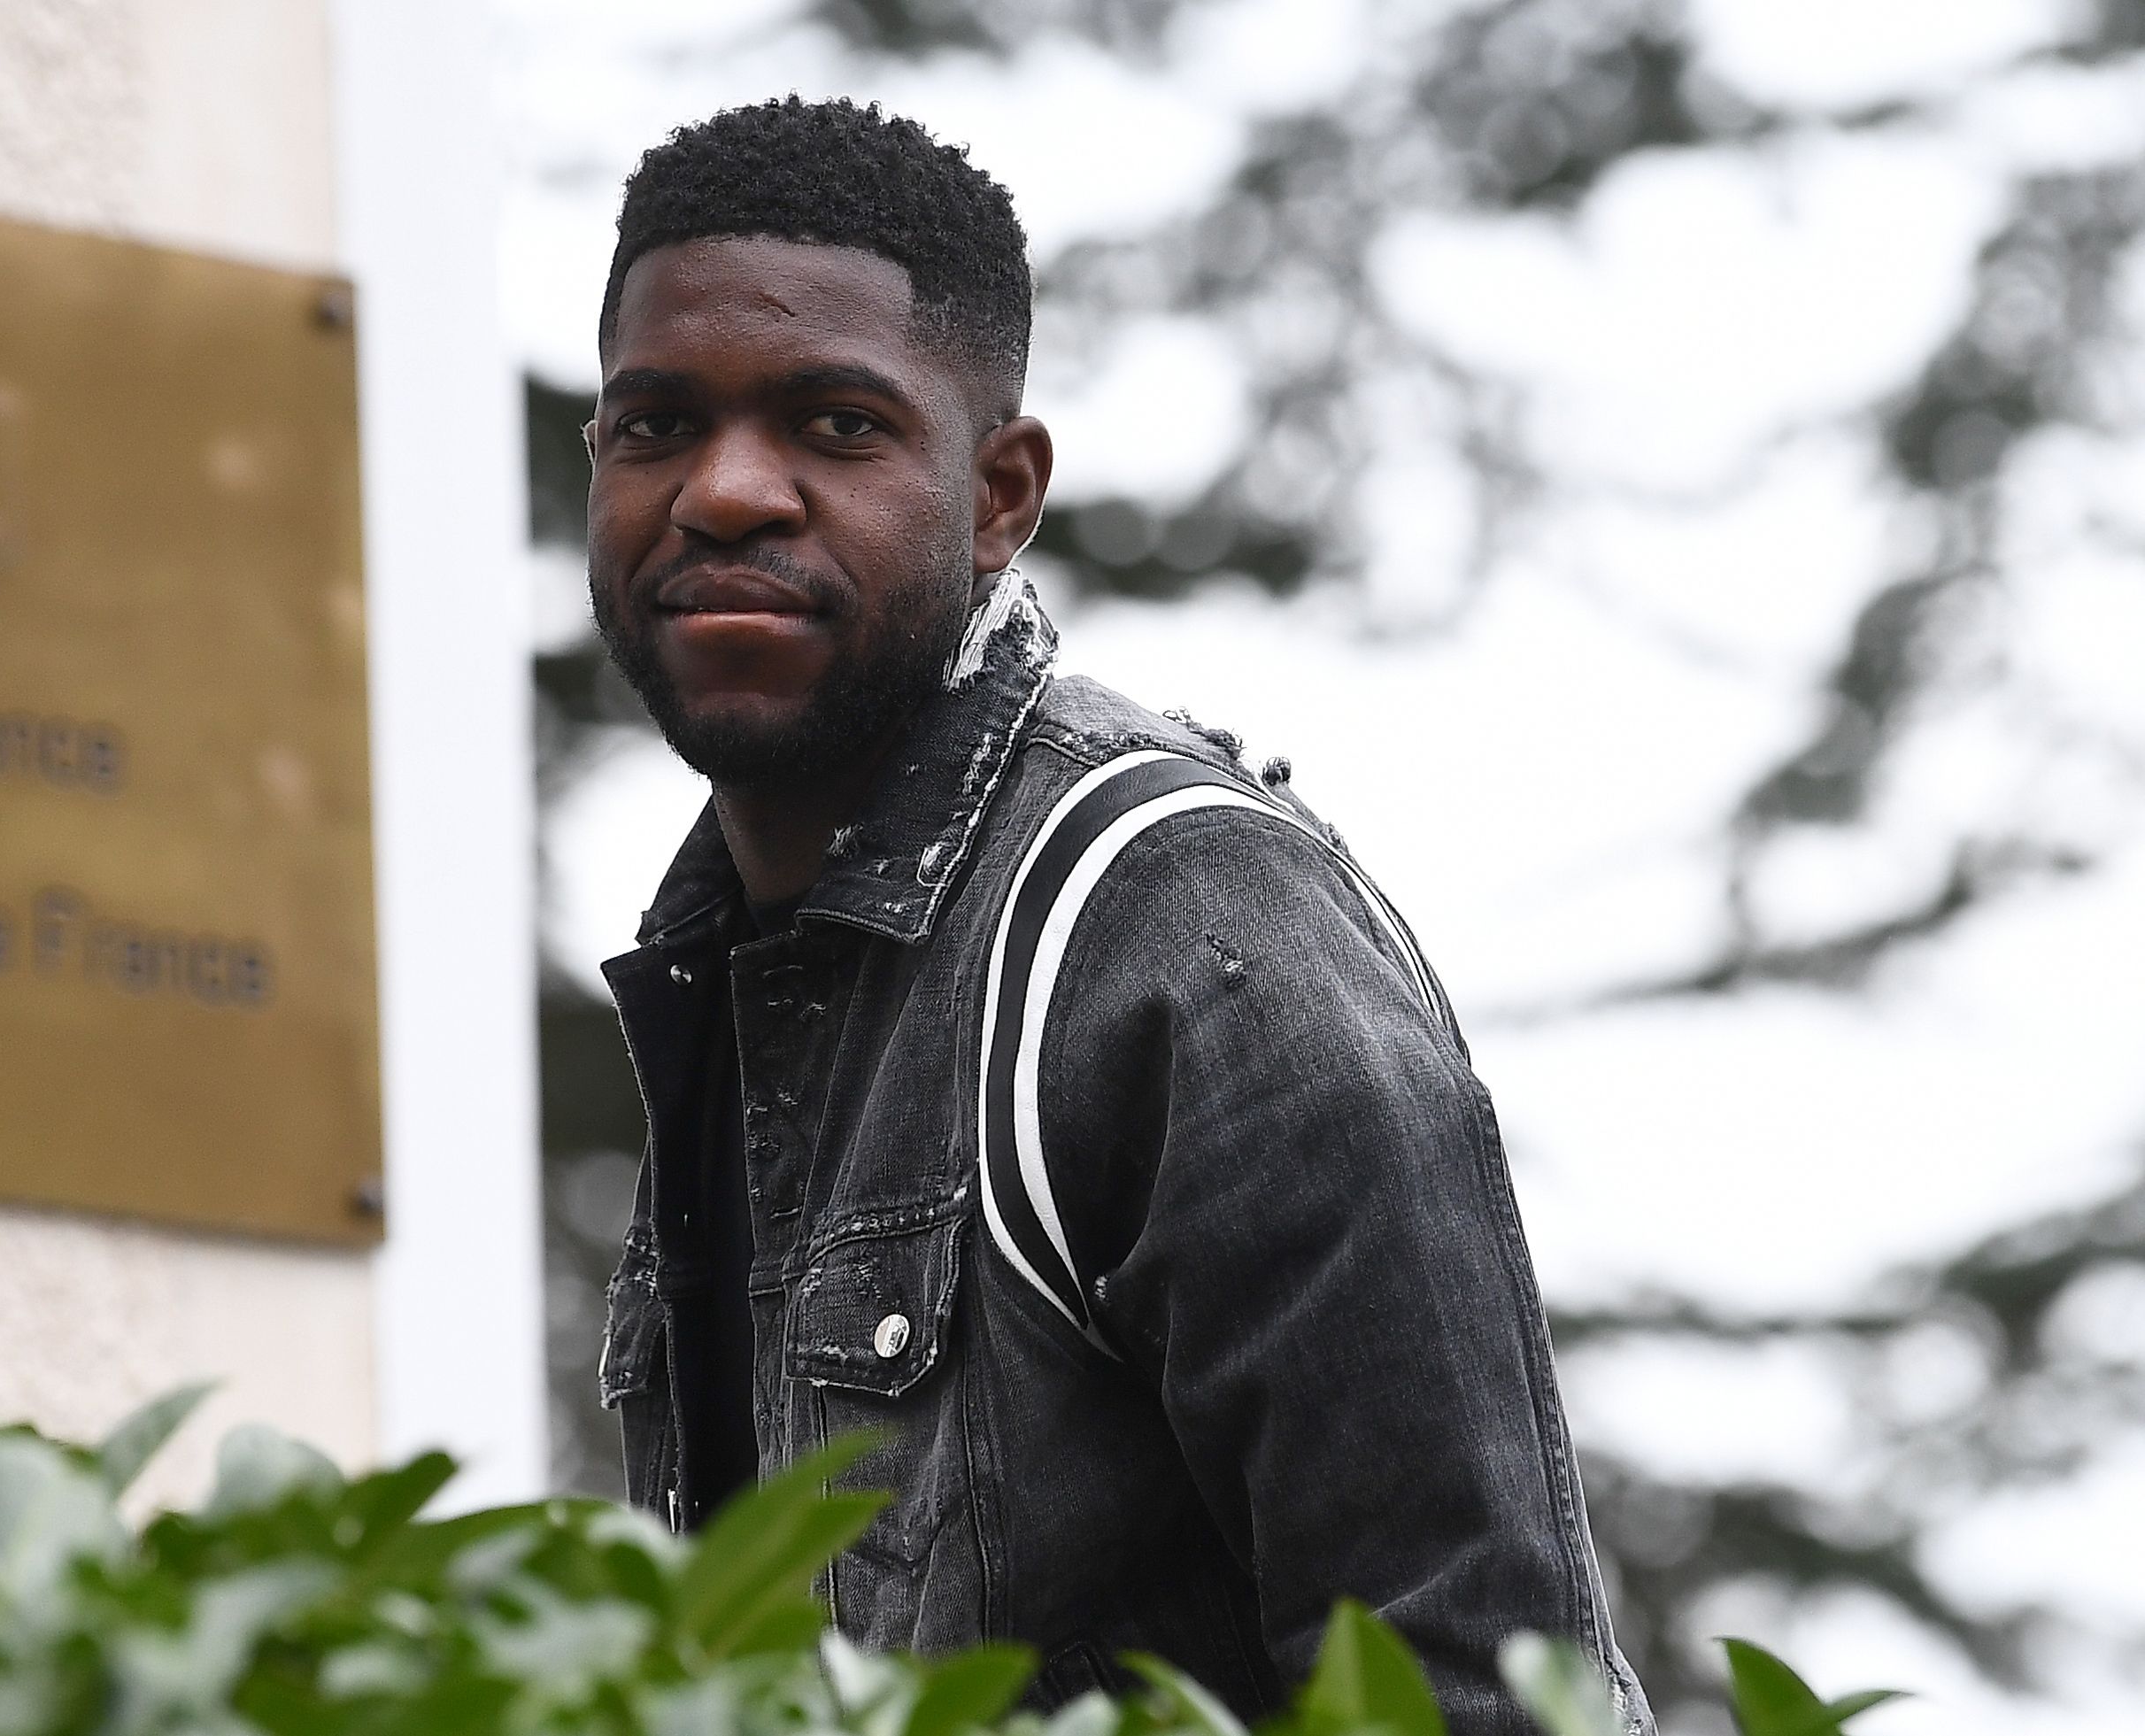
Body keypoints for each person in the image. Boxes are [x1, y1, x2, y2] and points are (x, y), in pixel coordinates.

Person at [583, 96, 1653, 1735]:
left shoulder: (1174, 923)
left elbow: (1473, 1688)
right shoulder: (731, 980)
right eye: (655, 425)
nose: (726, 491)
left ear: (1001, 493)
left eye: (836, 425)